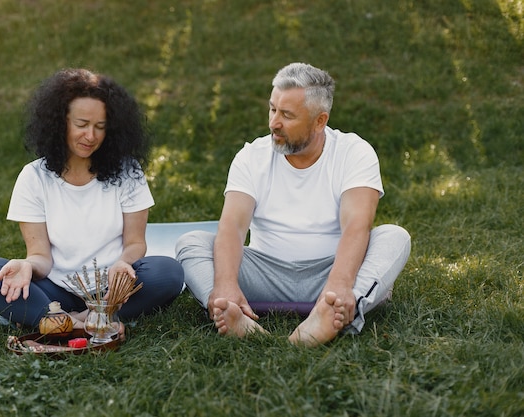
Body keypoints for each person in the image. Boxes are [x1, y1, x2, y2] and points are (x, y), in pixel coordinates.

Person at [175, 63, 411, 347]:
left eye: (287, 115)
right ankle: (230, 306)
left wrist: (338, 285)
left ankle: (332, 309)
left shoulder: (354, 152)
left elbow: (356, 226)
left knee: (395, 237)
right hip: (264, 275)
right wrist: (226, 282)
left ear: (319, 121)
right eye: (273, 109)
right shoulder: (251, 156)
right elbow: (232, 228)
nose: (274, 122)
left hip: (330, 272)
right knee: (191, 242)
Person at [0, 68, 184, 331]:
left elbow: (136, 243)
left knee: (168, 272)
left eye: (100, 127)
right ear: (60, 122)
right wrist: (25, 266)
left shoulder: (129, 172)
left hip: (113, 291)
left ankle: (57, 320)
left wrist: (123, 264)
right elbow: (40, 257)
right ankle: (85, 321)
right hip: (57, 288)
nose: (90, 136)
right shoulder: (33, 177)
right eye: (81, 125)